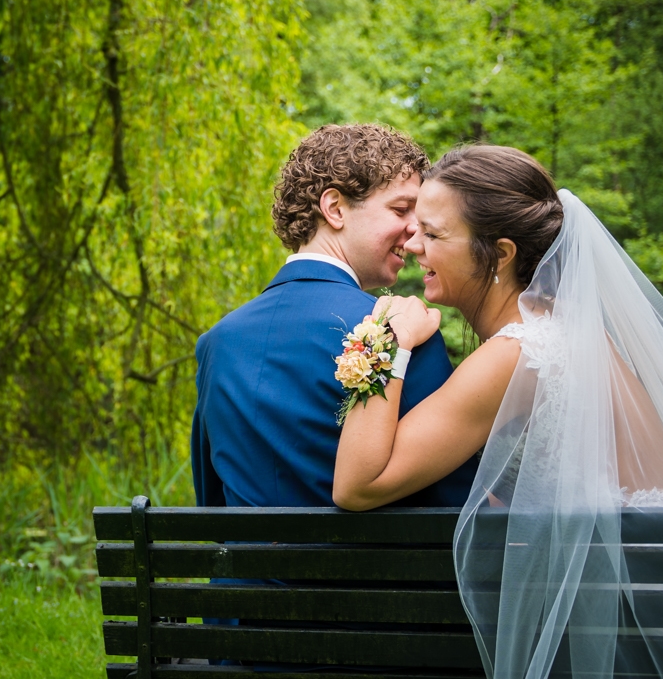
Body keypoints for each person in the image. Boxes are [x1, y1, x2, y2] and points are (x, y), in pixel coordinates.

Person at [334, 144, 663, 679]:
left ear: (502, 252)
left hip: (637, 634)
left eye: (435, 234)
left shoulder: (519, 353)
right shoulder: (564, 328)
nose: (414, 244)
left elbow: (358, 484)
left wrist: (387, 340)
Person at [191, 123, 477, 510]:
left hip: (243, 573)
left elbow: (212, 504)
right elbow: (454, 506)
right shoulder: (400, 330)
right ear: (335, 208)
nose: (415, 231)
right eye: (400, 209)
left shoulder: (216, 343)